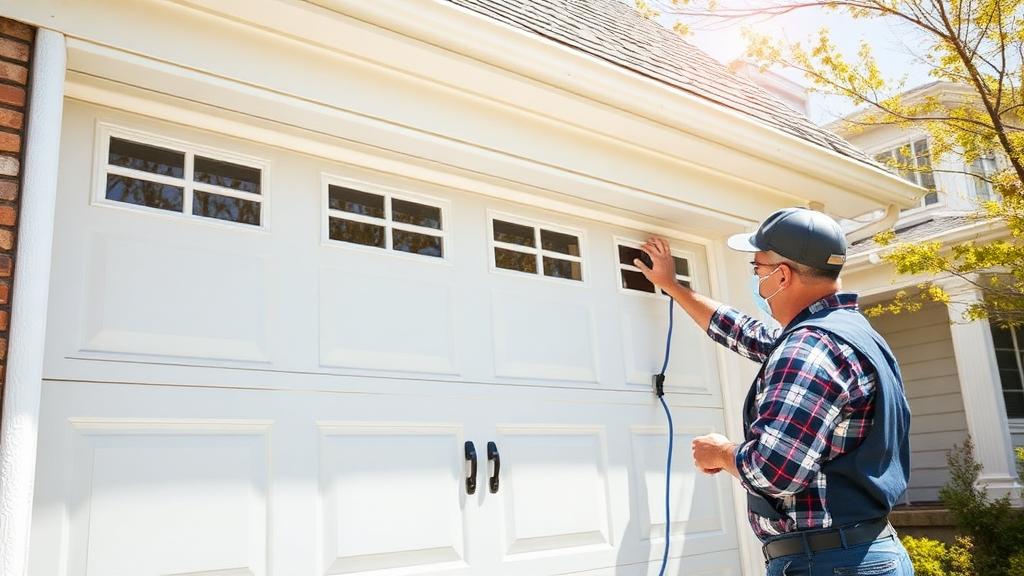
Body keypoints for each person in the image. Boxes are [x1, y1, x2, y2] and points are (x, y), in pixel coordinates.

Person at [635, 207, 914, 576]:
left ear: (781, 276)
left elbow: (775, 471)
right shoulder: (850, 335)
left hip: (827, 563)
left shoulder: (808, 348)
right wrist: (673, 286)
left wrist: (719, 452)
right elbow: (748, 333)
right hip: (859, 553)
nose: (756, 279)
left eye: (757, 269)